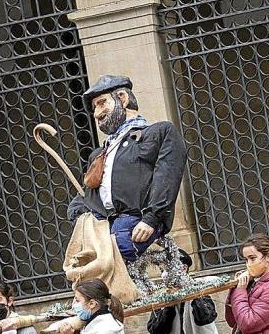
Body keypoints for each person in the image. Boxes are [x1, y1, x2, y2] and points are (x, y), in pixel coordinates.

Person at [68, 75, 188, 262]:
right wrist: (79, 215)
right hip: (104, 227)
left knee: (109, 263)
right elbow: (87, 195)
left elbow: (167, 176)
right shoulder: (99, 154)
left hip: (135, 222)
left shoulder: (159, 133)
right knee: (86, 272)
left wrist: (151, 218)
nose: (97, 114)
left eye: (101, 103)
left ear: (122, 98)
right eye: (94, 108)